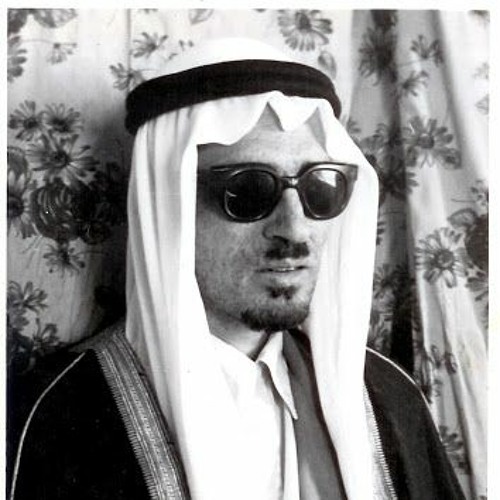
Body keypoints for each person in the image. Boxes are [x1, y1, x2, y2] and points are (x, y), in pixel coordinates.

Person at [7, 38, 465, 500]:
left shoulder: (389, 397)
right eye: (248, 191)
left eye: (319, 188)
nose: (295, 229)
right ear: (169, 205)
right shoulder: (58, 415)